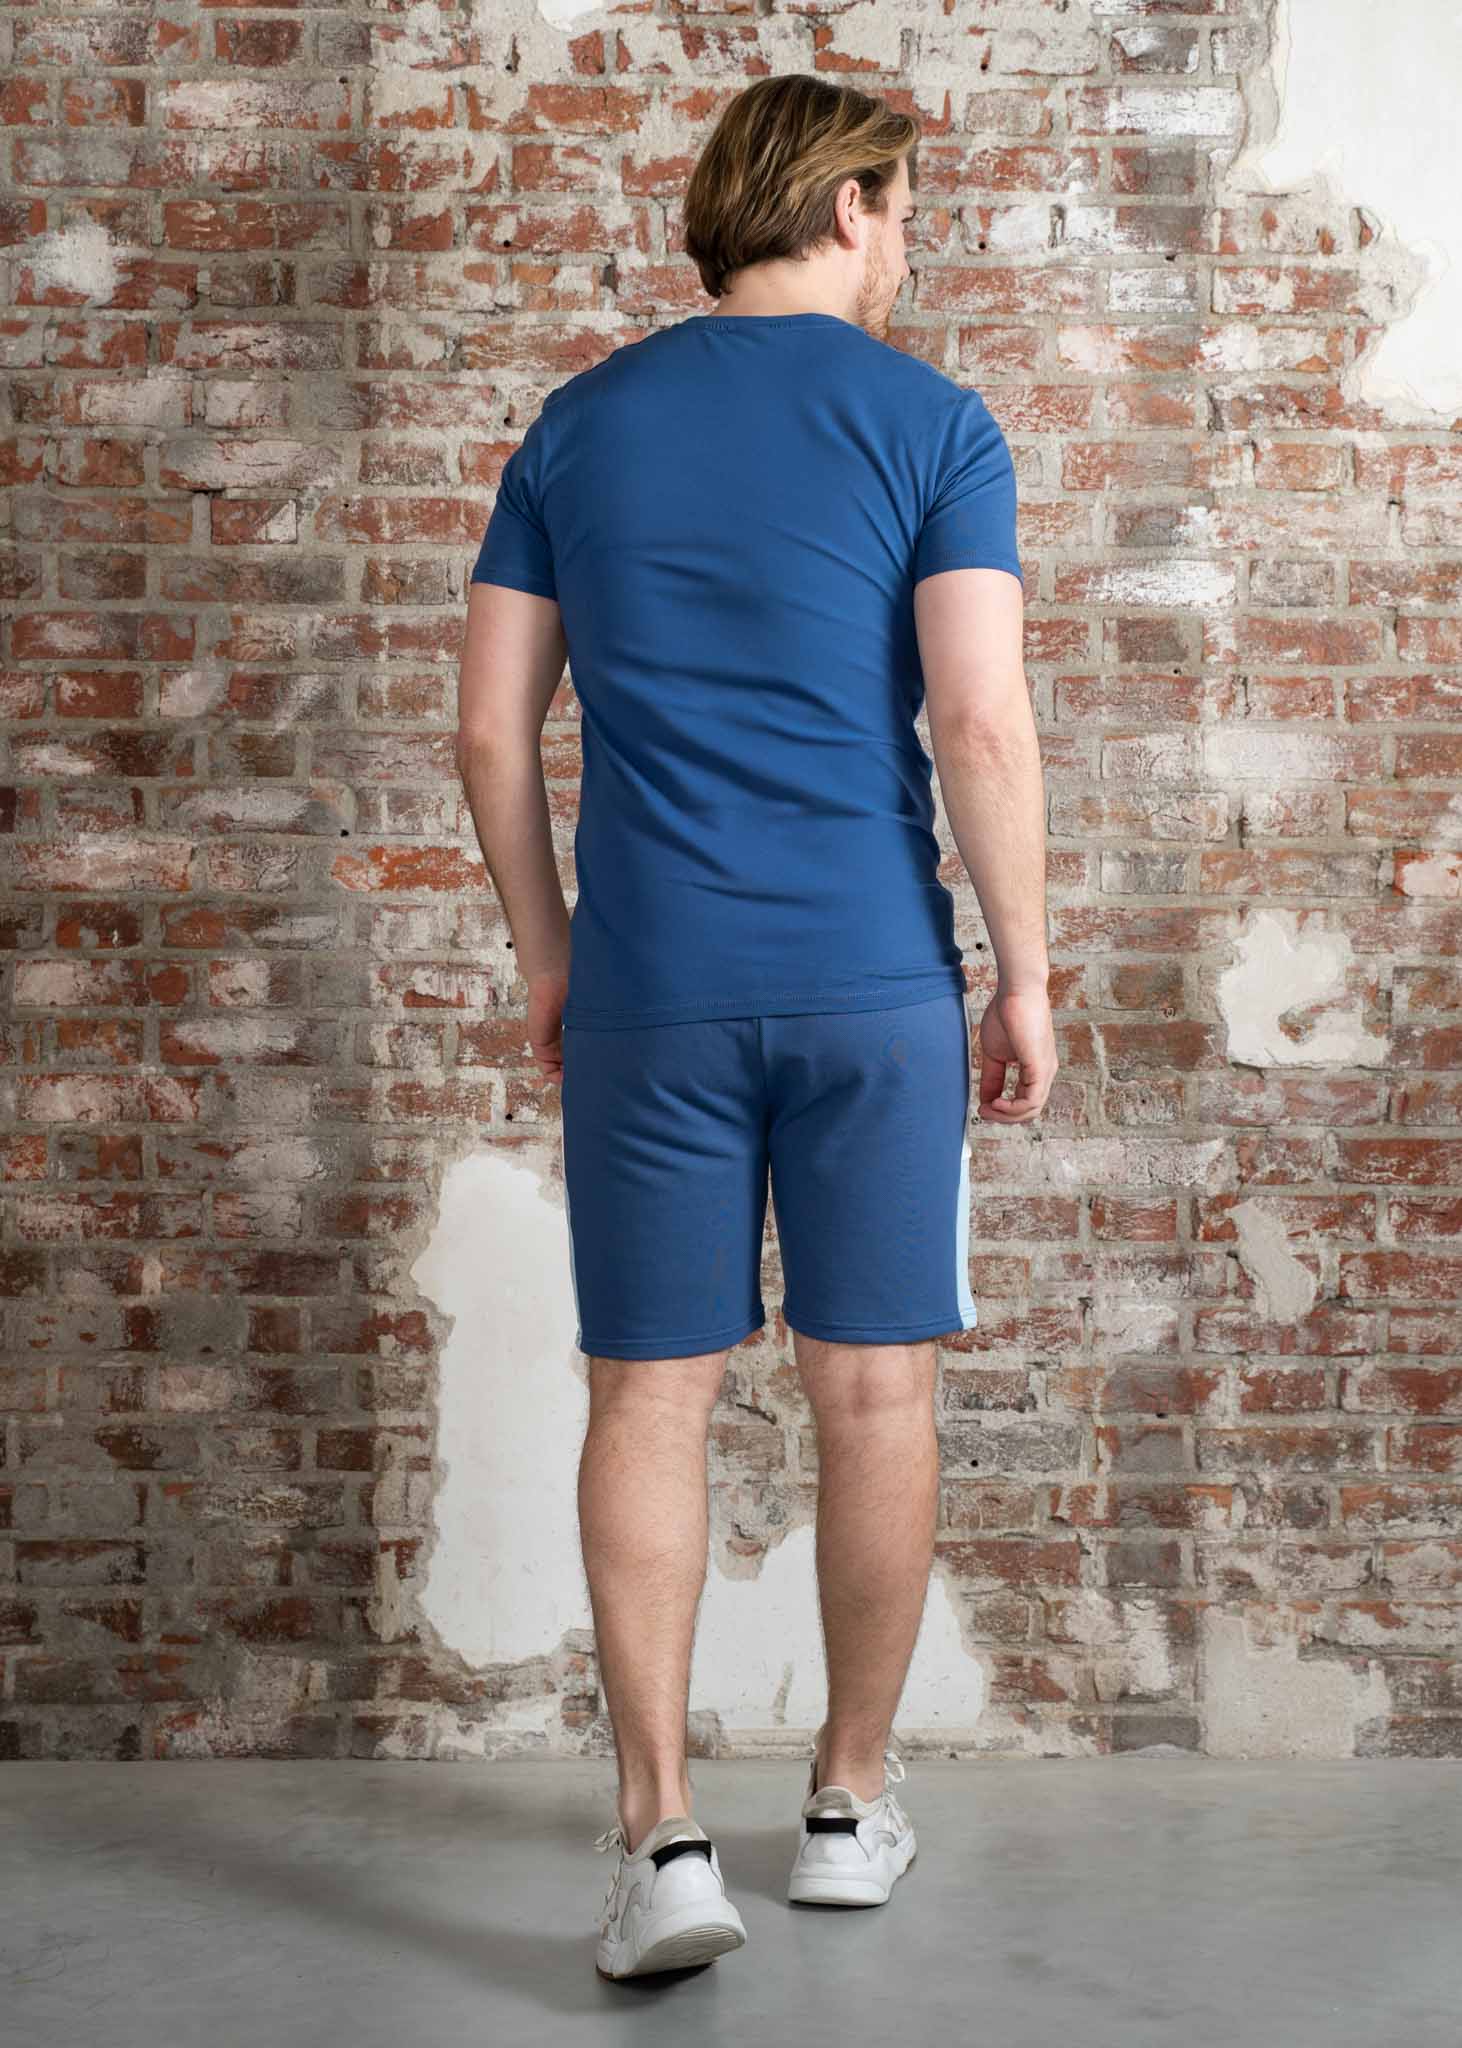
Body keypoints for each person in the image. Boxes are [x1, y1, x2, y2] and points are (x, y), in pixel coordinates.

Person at [455, 71, 1056, 1980]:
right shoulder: (931, 421)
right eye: (905, 210)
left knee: (651, 1392)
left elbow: (488, 731)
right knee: (871, 1390)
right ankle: (846, 1806)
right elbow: (977, 721)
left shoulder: (578, 423)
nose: (909, 247)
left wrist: (549, 956)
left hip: (649, 991)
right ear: (851, 205)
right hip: (873, 984)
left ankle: (660, 1842)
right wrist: (1026, 972)